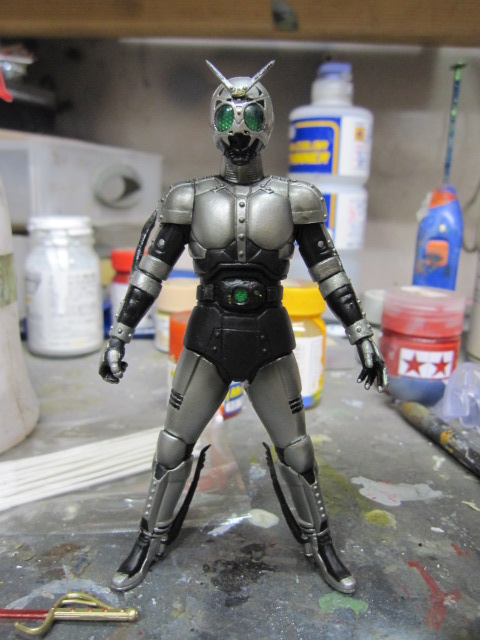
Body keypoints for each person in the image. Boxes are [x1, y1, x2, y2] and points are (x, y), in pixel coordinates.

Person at [99, 60, 387, 594]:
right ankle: (148, 539)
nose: (238, 130)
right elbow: (149, 274)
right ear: (213, 123)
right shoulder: (187, 198)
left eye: (249, 116)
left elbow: (330, 273)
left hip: (268, 338)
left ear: (266, 121)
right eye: (227, 117)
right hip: (207, 337)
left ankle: (320, 542)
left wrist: (362, 333)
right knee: (172, 447)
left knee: (297, 451)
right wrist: (119, 334)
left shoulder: (295, 198)